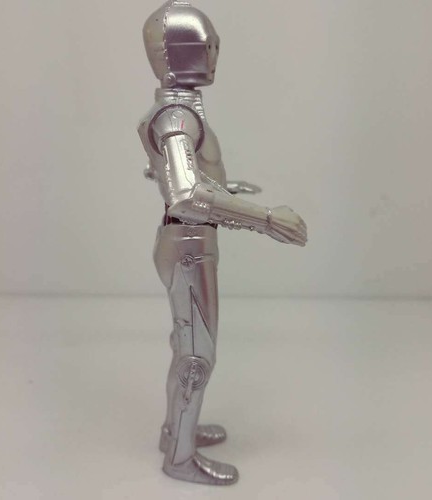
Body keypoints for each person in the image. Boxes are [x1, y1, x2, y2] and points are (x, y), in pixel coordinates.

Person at [138, 0, 307, 485]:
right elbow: (187, 194)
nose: (213, 54)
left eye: (214, 45)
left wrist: (229, 190)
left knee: (188, 348)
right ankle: (179, 457)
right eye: (203, 45)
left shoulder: (180, 111)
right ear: (172, 53)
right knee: (196, 356)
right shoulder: (176, 117)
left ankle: (174, 430)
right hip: (188, 244)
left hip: (189, 243)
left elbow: (183, 179)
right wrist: (266, 219)